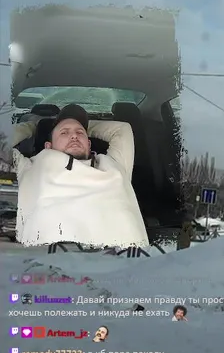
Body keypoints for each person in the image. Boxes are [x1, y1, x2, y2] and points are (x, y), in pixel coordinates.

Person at [12, 105, 148, 250]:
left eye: (80, 133)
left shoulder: (115, 164)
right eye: (64, 133)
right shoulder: (29, 167)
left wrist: (78, 125)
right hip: (53, 256)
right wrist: (36, 126)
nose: (74, 136)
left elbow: (122, 130)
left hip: (125, 257)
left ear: (88, 144)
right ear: (48, 146)